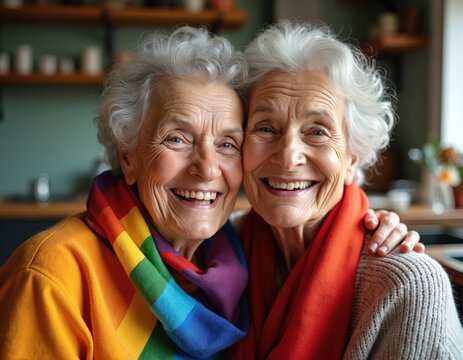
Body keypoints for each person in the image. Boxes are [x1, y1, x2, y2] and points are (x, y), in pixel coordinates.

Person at [0, 26, 422, 359]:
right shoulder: (53, 275)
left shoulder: (224, 262)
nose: (206, 169)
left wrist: (380, 225)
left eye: (226, 144)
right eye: (178, 138)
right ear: (128, 157)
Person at [229, 21, 463, 359]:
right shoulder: (223, 251)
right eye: (266, 128)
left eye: (318, 132)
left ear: (353, 156)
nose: (288, 155)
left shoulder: (407, 287)